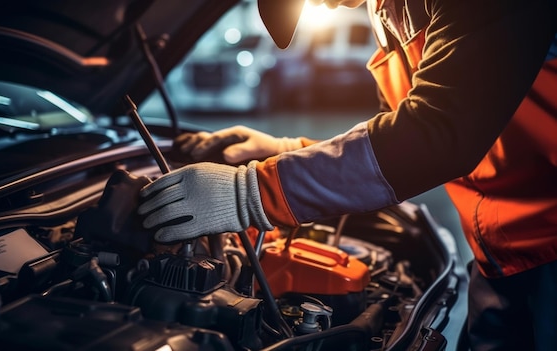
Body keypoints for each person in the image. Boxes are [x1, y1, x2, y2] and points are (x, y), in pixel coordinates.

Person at [138, 0, 557, 349]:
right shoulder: (388, 9)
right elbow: (395, 134)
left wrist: (252, 191)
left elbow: (438, 135)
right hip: (502, 254)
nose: (323, 5)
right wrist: (287, 152)